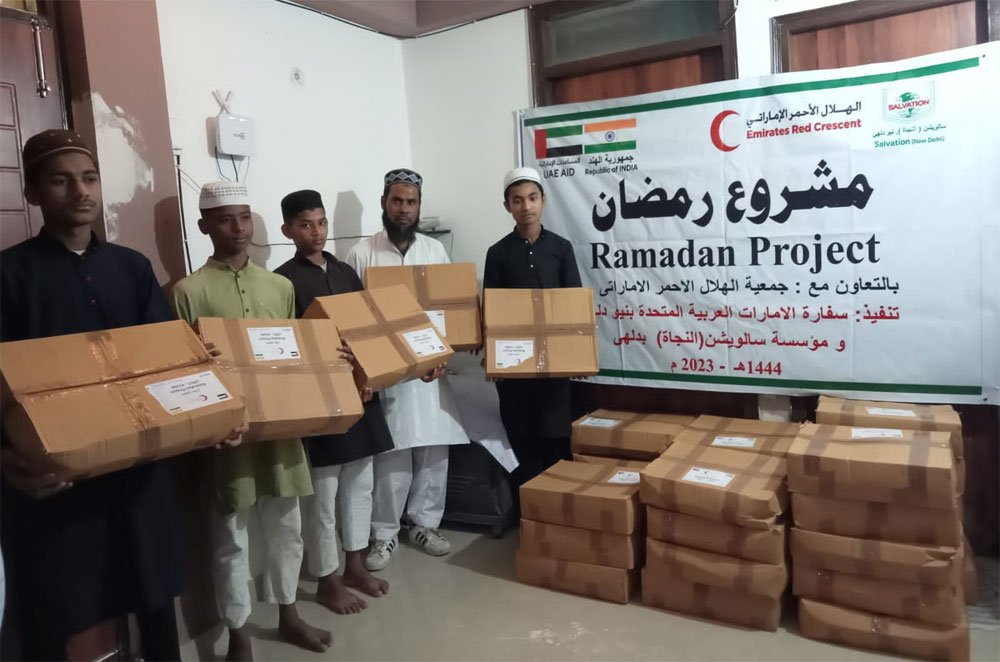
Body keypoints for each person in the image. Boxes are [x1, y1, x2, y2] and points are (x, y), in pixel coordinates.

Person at [0, 129, 185, 661]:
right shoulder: (9, 274)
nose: (81, 191)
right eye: (61, 180)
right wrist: (5, 458)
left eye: (89, 178)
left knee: (154, 596)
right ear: (33, 192)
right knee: (56, 610)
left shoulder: (132, 268)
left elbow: (167, 362)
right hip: (57, 481)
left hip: (138, 472)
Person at [171, 182, 330, 661]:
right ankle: (238, 633)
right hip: (227, 437)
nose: (238, 228)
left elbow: (296, 357)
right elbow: (180, 372)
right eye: (225, 219)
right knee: (231, 540)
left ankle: (288, 614)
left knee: (287, 527)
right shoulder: (187, 293)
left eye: (244, 217)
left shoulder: (280, 288)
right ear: (204, 226)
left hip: (281, 430)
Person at [273, 189, 393, 613]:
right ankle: (327, 578)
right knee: (323, 495)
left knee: (361, 485)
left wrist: (368, 373)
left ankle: (355, 565)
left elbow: (365, 329)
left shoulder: (345, 272)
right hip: (320, 399)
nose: (317, 232)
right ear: (288, 230)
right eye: (306, 224)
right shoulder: (283, 280)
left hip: (360, 394)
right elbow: (287, 343)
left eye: (322, 222)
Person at [346, 168, 467, 571]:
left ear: (419, 207)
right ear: (384, 202)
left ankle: (425, 525)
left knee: (433, 451)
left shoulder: (435, 251)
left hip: (431, 371)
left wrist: (440, 357)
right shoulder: (362, 253)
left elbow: (449, 312)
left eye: (411, 202)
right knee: (392, 454)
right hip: (388, 376)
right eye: (397, 201)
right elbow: (353, 318)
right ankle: (384, 533)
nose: (403, 209)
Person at [483, 167, 582, 486]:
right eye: (517, 200)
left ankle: (555, 507)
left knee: (555, 443)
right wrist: (492, 357)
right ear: (507, 206)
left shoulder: (561, 248)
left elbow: (574, 306)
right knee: (523, 445)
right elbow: (491, 311)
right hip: (514, 370)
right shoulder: (497, 253)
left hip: (554, 369)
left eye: (532, 198)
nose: (526, 206)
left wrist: (577, 356)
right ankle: (528, 510)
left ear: (543, 200)